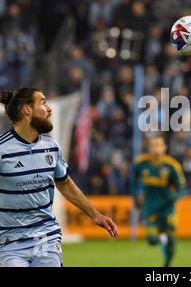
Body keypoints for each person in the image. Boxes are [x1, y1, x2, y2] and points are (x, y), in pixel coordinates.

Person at [0, 88, 119, 267]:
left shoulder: (52, 146)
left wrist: (95, 215)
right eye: (43, 102)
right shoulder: (3, 150)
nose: (50, 108)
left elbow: (65, 184)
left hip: (47, 237)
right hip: (9, 243)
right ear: (27, 110)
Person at [133, 135, 186, 267]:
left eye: (158, 145)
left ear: (164, 148)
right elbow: (132, 182)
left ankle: (167, 264)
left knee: (172, 240)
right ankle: (162, 239)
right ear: (148, 147)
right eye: (153, 146)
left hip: (168, 208)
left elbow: (182, 188)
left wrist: (173, 197)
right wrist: (136, 198)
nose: (156, 149)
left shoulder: (172, 166)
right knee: (151, 239)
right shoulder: (140, 163)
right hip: (150, 208)